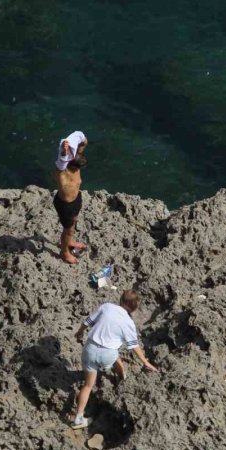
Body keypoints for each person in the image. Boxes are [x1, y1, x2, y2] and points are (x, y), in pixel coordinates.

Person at [71, 289, 158, 429]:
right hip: (107, 355)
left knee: (88, 385)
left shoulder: (106, 307)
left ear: (121, 299)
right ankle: (122, 377)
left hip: (90, 349)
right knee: (115, 356)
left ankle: (78, 418)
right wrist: (146, 362)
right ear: (134, 308)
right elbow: (134, 346)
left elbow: (87, 321)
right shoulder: (128, 323)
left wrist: (79, 332)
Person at [53, 130, 88, 264]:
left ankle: (70, 241)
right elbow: (61, 161)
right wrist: (63, 152)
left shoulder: (76, 165)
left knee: (73, 223)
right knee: (68, 230)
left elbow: (83, 143)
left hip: (76, 199)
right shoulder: (61, 172)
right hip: (65, 204)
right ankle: (64, 252)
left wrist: (81, 138)